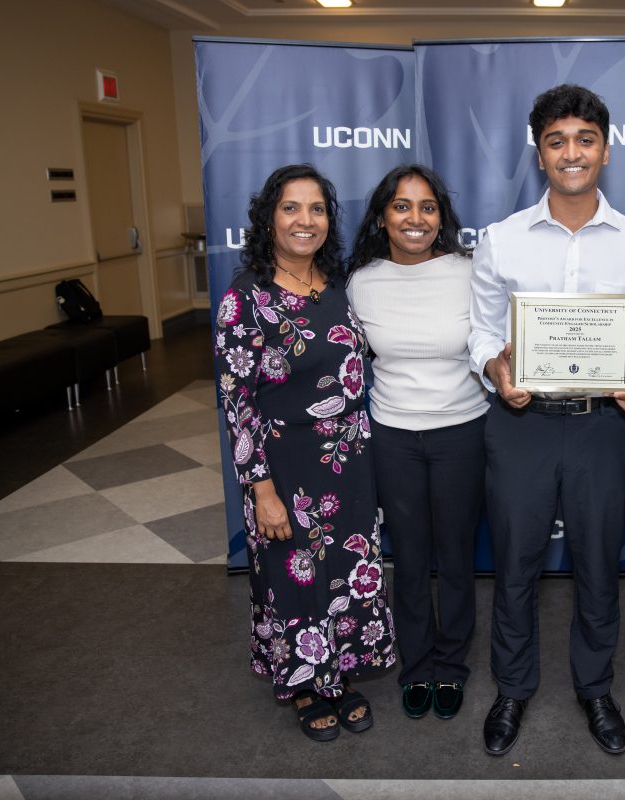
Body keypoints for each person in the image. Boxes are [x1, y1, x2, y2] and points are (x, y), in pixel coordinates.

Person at [468, 84, 625, 757]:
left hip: (603, 427)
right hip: (519, 426)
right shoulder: (500, 241)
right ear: (539, 151)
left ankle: (595, 686)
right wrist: (496, 371)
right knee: (515, 567)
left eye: (584, 139)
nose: (571, 152)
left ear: (605, 150)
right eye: (556, 140)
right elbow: (481, 335)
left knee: (597, 567)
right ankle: (513, 689)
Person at [214, 164, 396, 742]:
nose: (305, 220)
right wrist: (261, 489)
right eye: (291, 207)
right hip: (283, 470)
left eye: (317, 209)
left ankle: (337, 672)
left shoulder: (339, 284)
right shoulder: (246, 298)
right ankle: (305, 685)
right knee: (295, 579)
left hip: (347, 462)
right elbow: (237, 405)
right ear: (269, 217)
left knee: (345, 570)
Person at [345, 164, 487, 722]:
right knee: (406, 560)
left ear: (441, 217)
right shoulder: (361, 281)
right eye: (402, 206)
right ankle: (415, 666)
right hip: (393, 435)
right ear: (383, 217)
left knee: (454, 558)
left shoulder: (470, 271)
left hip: (462, 431)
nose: (415, 218)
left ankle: (450, 666)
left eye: (427, 207)